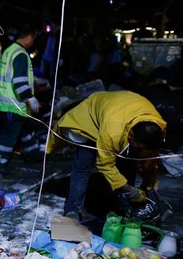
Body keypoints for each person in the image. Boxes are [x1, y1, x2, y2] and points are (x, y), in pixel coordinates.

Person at [45, 90, 167, 221]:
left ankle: (123, 205)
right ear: (131, 135)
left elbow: (147, 156)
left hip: (122, 110)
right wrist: (129, 190)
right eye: (137, 146)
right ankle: (73, 209)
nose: (138, 150)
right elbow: (105, 165)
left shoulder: (157, 127)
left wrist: (149, 183)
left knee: (128, 162)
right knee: (83, 164)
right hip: (92, 118)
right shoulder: (112, 132)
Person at [0, 24, 41, 173]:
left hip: (5, 103)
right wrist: (30, 99)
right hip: (14, 104)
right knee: (8, 136)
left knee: (24, 130)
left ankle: (34, 155)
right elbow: (19, 81)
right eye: (33, 39)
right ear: (30, 36)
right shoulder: (21, 54)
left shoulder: (9, 50)